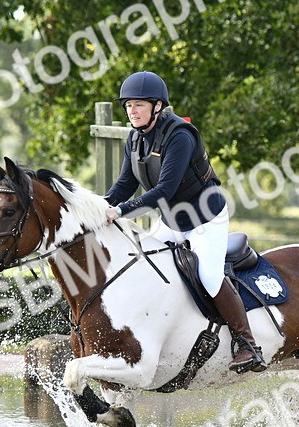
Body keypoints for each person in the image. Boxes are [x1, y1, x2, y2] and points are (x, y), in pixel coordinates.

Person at [104, 71, 267, 374]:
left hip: (205, 218)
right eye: (128, 106)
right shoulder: (135, 139)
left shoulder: (179, 135)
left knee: (208, 275)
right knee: (143, 266)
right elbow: (123, 186)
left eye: (138, 105)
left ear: (157, 106)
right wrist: (100, 207)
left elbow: (164, 190)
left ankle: (248, 345)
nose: (132, 111)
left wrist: (122, 211)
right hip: (172, 220)